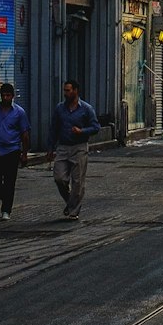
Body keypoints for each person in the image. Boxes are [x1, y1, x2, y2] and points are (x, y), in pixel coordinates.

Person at [46, 80, 101, 221]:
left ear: (76, 91)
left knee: (77, 181)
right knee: (59, 178)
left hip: (79, 147)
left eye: (68, 90)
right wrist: (50, 148)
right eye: (64, 90)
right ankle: (71, 201)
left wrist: (81, 131)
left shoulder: (86, 109)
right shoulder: (60, 109)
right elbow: (54, 129)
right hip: (63, 147)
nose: (66, 93)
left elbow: (96, 127)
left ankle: (73, 211)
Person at [0, 82, 30, 220]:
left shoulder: (19, 113)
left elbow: (25, 134)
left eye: (8, 95)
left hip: (12, 151)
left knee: (9, 180)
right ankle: (5, 197)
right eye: (3, 95)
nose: (5, 98)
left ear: (13, 96)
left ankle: (6, 209)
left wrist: (24, 153)